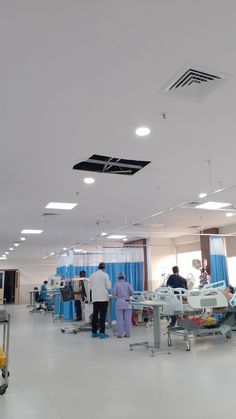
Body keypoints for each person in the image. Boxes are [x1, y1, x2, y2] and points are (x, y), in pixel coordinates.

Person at [90, 262, 111, 339]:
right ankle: (102, 333)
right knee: (102, 316)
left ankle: (94, 332)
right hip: (103, 298)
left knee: (95, 315)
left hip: (95, 298)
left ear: (98, 267)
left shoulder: (92, 275)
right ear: (104, 268)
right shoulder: (105, 275)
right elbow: (109, 287)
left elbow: (90, 288)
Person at [113, 272, 134, 338]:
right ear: (124, 277)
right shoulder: (128, 284)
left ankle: (120, 334)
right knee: (128, 319)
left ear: (118, 278)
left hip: (119, 303)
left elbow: (114, 294)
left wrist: (117, 295)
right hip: (127, 303)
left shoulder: (116, 285)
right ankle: (128, 334)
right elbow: (132, 292)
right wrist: (127, 295)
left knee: (120, 319)